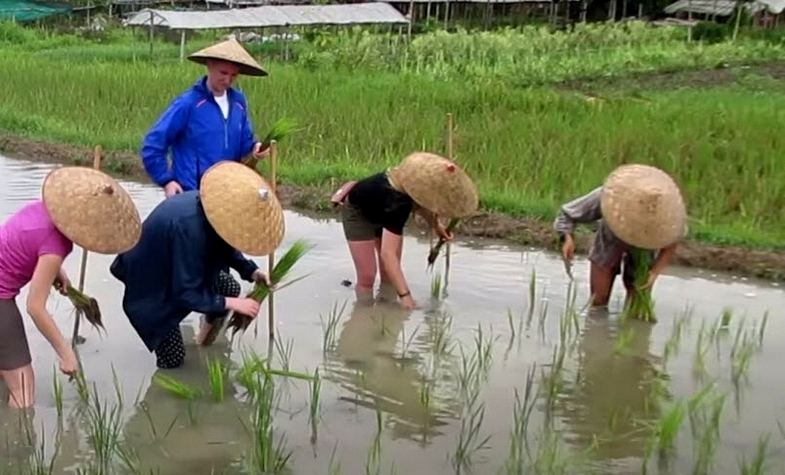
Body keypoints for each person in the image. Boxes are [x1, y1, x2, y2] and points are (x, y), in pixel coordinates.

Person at [110, 161, 285, 369]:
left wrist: (251, 271)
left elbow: (225, 243)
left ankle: (203, 342)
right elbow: (184, 292)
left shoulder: (213, 211)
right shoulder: (189, 229)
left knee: (228, 288)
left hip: (177, 267)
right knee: (173, 359)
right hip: (152, 284)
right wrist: (232, 304)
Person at [0, 166, 141, 408]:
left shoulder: (40, 209)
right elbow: (35, 307)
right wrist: (66, 353)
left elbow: (27, 244)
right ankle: (17, 444)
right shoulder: (57, 245)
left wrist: (57, 271)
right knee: (23, 394)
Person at [332, 152, 478, 310]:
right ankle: (363, 313)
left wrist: (437, 226)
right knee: (367, 276)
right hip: (358, 214)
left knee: (388, 277)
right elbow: (388, 255)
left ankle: (384, 310)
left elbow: (422, 203)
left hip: (382, 210)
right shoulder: (398, 203)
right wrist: (406, 297)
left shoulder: (408, 189)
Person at [140, 37, 270, 197]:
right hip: (192, 194)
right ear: (209, 65)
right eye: (223, 73)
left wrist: (255, 148)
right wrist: (167, 180)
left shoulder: (238, 102)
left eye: (234, 75)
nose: (228, 80)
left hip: (227, 195)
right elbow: (153, 145)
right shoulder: (188, 103)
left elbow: (244, 143)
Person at [554, 163, 687, 307]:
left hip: (644, 251)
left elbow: (672, 241)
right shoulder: (610, 196)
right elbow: (567, 213)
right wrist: (567, 237)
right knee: (598, 302)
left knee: (636, 303)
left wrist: (655, 272)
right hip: (608, 247)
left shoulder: (668, 213)